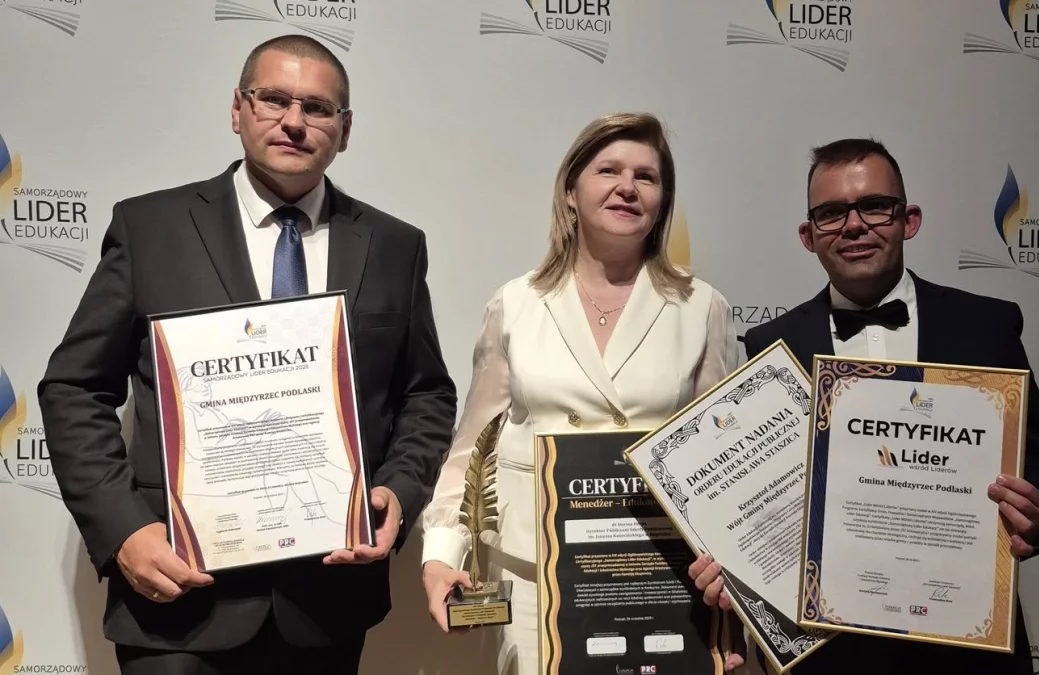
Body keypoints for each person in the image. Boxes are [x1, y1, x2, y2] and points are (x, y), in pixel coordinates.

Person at [37, 34, 457, 674]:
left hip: (326, 604)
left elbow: (426, 392)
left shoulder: (395, 245)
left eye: (317, 108)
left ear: (345, 130)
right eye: (274, 100)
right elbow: (74, 387)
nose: (294, 121)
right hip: (177, 597)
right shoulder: (150, 228)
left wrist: (398, 491)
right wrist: (124, 529)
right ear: (238, 109)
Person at [689, 138, 1039, 675]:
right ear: (808, 236)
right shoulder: (770, 346)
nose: (854, 226)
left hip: (966, 652)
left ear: (908, 220)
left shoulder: (986, 326)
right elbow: (752, 497)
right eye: (832, 213)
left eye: (874, 206)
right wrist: (734, 567)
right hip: (828, 655)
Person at [419, 112, 741, 674]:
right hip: (533, 579)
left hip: (659, 581)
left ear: (663, 200)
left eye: (646, 176)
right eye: (608, 170)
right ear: (571, 191)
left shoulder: (702, 307)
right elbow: (472, 447)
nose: (627, 187)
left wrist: (733, 588)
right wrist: (442, 555)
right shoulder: (515, 304)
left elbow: (726, 461)